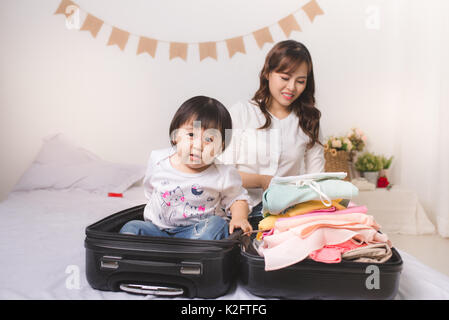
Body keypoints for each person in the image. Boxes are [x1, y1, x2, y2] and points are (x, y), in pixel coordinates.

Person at [120, 96, 253, 240]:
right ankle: (151, 256)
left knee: (217, 225)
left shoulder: (223, 174)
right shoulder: (158, 160)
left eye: (209, 139)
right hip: (157, 232)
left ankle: (189, 256)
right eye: (191, 135)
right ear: (175, 136)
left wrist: (239, 218)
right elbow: (150, 190)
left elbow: (238, 199)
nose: (198, 145)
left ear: (221, 147)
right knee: (132, 227)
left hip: (196, 235)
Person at [220, 40, 325, 217]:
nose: (291, 87)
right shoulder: (242, 112)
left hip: (288, 211)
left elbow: (316, 179)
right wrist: (262, 181)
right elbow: (221, 172)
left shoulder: (309, 121)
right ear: (268, 73)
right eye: (285, 78)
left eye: (300, 81)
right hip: (242, 210)